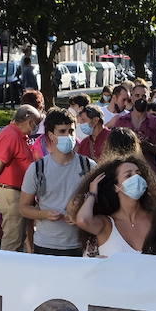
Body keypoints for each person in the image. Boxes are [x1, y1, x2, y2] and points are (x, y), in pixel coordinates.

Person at [19, 108, 93, 256]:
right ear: (51, 136)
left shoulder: (89, 166)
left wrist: (80, 215)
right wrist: (45, 214)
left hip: (80, 244)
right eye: (62, 131)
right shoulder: (37, 168)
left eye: (71, 131)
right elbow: (23, 208)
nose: (68, 136)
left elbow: (101, 204)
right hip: (46, 244)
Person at [71, 154, 156, 255]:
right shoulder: (107, 224)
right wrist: (92, 193)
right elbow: (83, 220)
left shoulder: (154, 219)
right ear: (116, 187)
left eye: (139, 174)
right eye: (128, 175)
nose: (136, 178)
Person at [0, 104, 41, 251]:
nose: (35, 127)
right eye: (35, 123)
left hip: (16, 193)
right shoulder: (11, 135)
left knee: (18, 238)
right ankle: (5, 272)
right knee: (12, 240)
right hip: (11, 193)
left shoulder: (17, 135)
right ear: (28, 120)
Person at [109, 84, 156, 162]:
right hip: (127, 168)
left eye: (144, 96)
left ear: (148, 99)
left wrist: (148, 145)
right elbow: (114, 148)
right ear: (131, 98)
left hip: (148, 169)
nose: (140, 99)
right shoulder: (121, 121)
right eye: (137, 95)